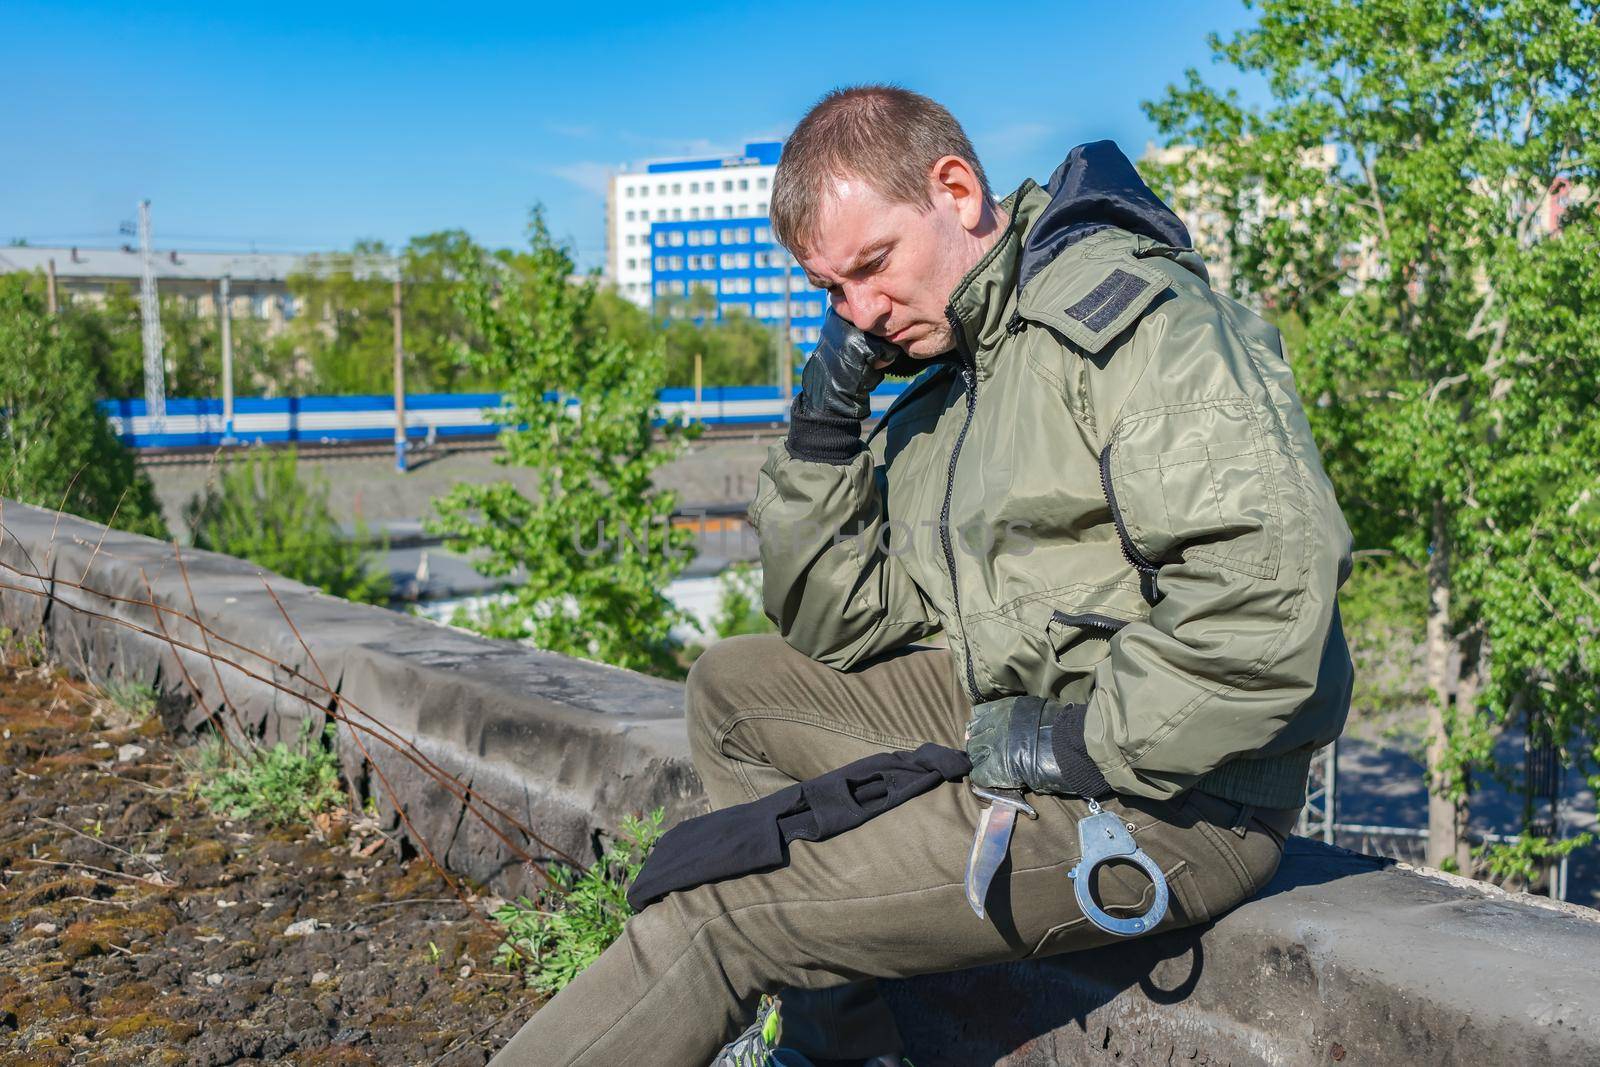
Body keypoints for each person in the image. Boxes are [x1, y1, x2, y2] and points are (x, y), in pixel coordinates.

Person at [490, 85, 1353, 1067]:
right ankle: (843, 1046)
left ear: (954, 189)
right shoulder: (961, 368)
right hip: (1021, 715)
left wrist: (1086, 741)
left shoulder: (1133, 321)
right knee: (735, 687)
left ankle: (794, 999)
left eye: (872, 266)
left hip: (1176, 795)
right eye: (831, 291)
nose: (862, 313)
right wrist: (824, 425)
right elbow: (843, 623)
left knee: (719, 916)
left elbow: (1264, 591)